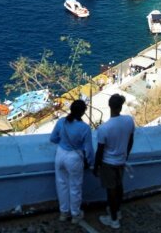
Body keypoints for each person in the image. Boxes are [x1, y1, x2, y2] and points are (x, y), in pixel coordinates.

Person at [49, 99, 94, 224]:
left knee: (61, 184)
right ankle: (75, 214)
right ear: (83, 112)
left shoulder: (61, 122)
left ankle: (64, 212)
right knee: (75, 186)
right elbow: (89, 150)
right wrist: (91, 163)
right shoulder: (85, 128)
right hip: (74, 158)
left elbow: (53, 138)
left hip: (60, 154)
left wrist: (63, 143)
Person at [94, 93, 135, 230]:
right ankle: (117, 211)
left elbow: (99, 151)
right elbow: (130, 140)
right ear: (121, 106)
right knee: (119, 187)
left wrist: (96, 167)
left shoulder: (104, 128)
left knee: (111, 191)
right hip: (121, 161)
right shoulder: (129, 120)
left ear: (109, 106)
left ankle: (113, 219)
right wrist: (125, 155)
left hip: (108, 163)